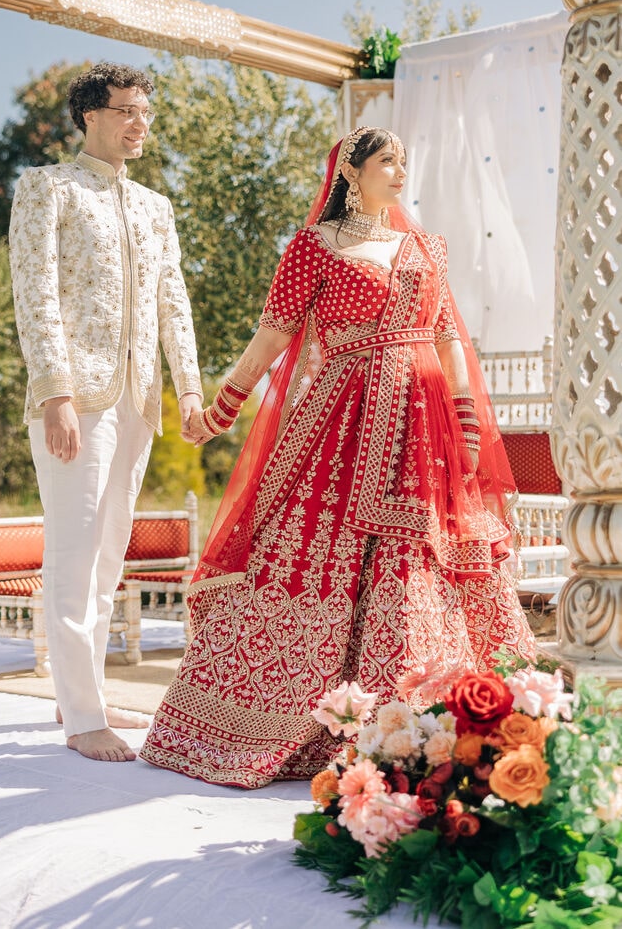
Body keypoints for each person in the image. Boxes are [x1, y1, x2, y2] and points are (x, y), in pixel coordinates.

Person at [140, 127, 536, 788]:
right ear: (350, 172)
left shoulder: (425, 248)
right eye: (386, 161)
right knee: (312, 552)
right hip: (341, 422)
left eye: (404, 161)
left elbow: (447, 341)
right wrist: (221, 409)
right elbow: (272, 337)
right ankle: (294, 724)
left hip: (423, 427)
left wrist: (465, 422)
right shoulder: (313, 247)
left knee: (424, 559)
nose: (399, 171)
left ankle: (431, 725)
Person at [9, 63, 203, 763]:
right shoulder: (47, 187)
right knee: (74, 550)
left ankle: (80, 693)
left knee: (108, 555)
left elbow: (173, 301)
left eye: (145, 112)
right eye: (126, 111)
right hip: (75, 398)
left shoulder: (155, 207)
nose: (139, 124)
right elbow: (35, 292)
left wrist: (190, 391)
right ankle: (83, 717)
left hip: (137, 398)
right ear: (90, 115)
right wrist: (54, 393)